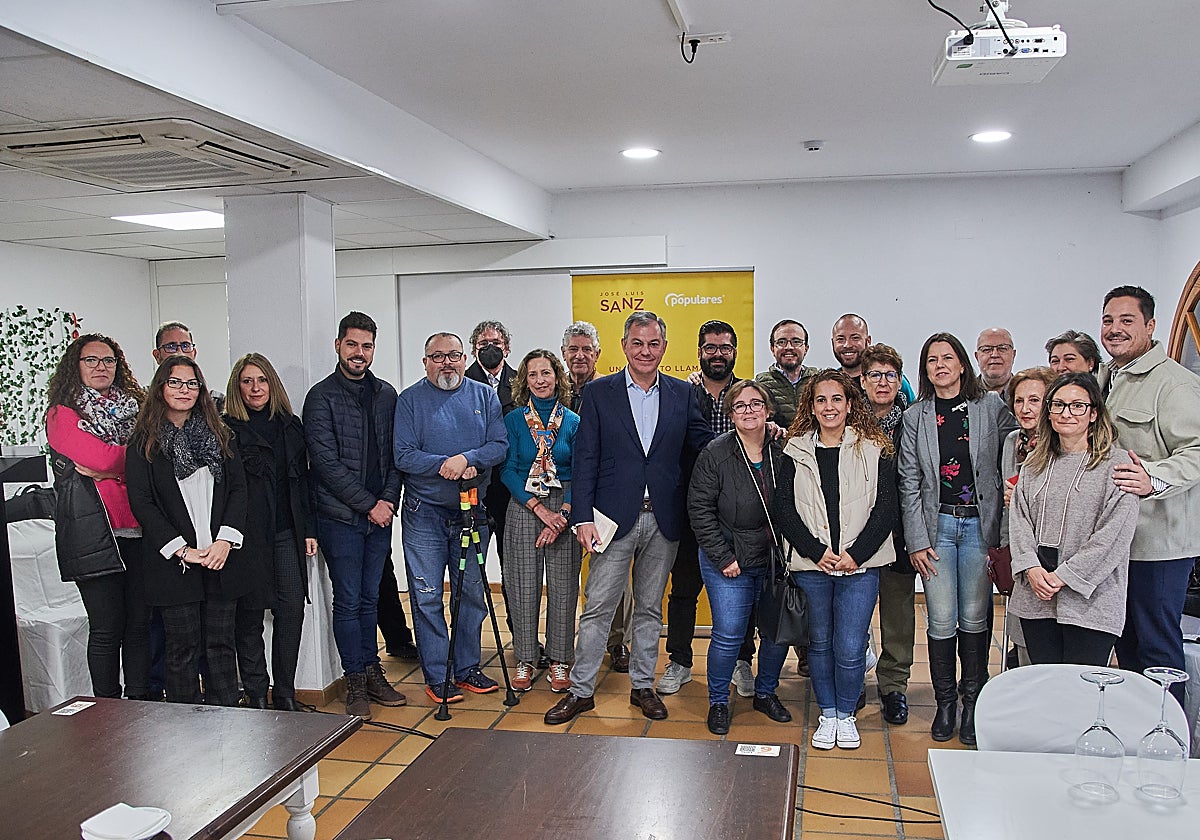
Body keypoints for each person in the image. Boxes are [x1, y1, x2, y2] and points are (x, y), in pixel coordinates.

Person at [544, 311, 712, 725]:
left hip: (665, 521)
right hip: (611, 520)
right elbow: (585, 459)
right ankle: (581, 691)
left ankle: (642, 687)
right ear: (624, 346)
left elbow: (702, 446)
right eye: (638, 343)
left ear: (664, 348)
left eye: (654, 344)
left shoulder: (681, 394)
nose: (646, 351)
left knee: (650, 610)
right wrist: (582, 516)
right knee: (599, 607)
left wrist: (755, 435)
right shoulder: (600, 393)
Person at [898, 332, 1016, 745]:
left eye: (948, 358)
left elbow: (1018, 452)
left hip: (980, 529)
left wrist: (1004, 534)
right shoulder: (916, 416)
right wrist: (916, 540)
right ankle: (945, 703)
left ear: (964, 364)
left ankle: (972, 703)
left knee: (975, 618)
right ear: (925, 370)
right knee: (941, 618)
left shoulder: (991, 407)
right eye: (932, 360)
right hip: (938, 531)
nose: (940, 366)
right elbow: (909, 481)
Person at [772, 370, 898, 750]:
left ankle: (847, 714)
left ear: (849, 403)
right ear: (811, 406)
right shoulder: (794, 449)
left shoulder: (874, 447)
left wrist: (855, 554)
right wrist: (816, 551)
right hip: (814, 566)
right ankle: (828, 713)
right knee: (820, 644)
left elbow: (886, 509)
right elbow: (785, 510)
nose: (829, 407)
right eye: (821, 400)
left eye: (837, 399)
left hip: (858, 567)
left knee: (850, 643)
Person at [125, 356, 251, 705]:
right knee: (181, 649)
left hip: (220, 557)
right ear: (160, 388)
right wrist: (181, 549)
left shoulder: (221, 436)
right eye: (175, 382)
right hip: (174, 563)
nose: (184, 390)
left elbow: (239, 489)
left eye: (191, 383)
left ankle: (228, 723)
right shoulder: (144, 443)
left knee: (221, 648)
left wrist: (225, 540)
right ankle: (187, 735)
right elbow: (143, 503)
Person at [303, 311, 407, 719]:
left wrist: (388, 501)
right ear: (338, 346)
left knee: (371, 598)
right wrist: (370, 504)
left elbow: (395, 457)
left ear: (373, 349)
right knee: (347, 602)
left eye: (366, 346)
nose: (358, 353)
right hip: (339, 519)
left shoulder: (386, 395)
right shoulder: (321, 397)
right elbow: (326, 464)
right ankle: (355, 682)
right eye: (352, 345)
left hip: (379, 517)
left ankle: (373, 670)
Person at [395, 331, 508, 703]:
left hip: (470, 512)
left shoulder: (484, 396)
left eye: (454, 355)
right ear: (425, 361)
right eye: (438, 356)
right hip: (423, 514)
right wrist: (444, 464)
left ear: (465, 358)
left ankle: (466, 668)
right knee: (427, 595)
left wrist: (468, 459)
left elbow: (498, 445)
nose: (447, 362)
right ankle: (438, 674)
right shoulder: (409, 401)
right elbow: (404, 455)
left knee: (471, 592)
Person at [1101, 285, 1200, 705]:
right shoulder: (1107, 378)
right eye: (1108, 320)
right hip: (1117, 543)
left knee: (1158, 649)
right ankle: (1141, 730)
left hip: (1159, 546)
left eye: (1127, 320)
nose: (1115, 329)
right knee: (1126, 644)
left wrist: (1153, 477)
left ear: (1151, 326)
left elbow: (1196, 450)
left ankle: (1172, 743)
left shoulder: (1174, 384)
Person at [45, 334, 151, 700]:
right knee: (107, 628)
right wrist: (119, 464)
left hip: (140, 530)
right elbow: (105, 459)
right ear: (76, 366)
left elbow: (148, 454)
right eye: (91, 360)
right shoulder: (62, 414)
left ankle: (139, 704)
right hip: (94, 536)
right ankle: (108, 707)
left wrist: (111, 468)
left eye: (108, 360)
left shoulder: (137, 407)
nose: (101, 367)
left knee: (138, 626)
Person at [1009, 373, 1139, 665]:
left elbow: (1113, 536)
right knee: (1046, 686)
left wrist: (1064, 576)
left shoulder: (1117, 466)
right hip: (1037, 597)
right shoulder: (1034, 464)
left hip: (1091, 602)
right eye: (1058, 405)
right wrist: (1030, 568)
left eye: (1077, 405)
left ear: (1094, 413)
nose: (1066, 413)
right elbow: (1019, 522)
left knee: (1080, 693)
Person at [687, 380, 791, 735]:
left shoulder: (783, 449)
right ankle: (718, 701)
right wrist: (722, 556)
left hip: (775, 560)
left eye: (755, 404)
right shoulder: (715, 454)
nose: (749, 411)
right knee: (729, 633)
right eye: (740, 406)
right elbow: (699, 509)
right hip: (728, 559)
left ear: (768, 409)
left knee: (777, 634)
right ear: (730, 414)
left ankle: (766, 693)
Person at [223, 353, 317, 711]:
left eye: (261, 380)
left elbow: (303, 481)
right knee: (248, 616)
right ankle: (256, 692)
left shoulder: (290, 426)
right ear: (238, 387)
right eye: (247, 381)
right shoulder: (226, 429)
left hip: (285, 532)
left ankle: (286, 692)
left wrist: (308, 528)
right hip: (244, 538)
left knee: (292, 608)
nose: (255, 387)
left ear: (272, 384)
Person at [658, 320, 741, 697]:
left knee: (741, 590)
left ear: (734, 352)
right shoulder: (682, 394)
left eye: (724, 347)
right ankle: (679, 661)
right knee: (684, 588)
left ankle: (741, 661)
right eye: (710, 348)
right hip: (690, 508)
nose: (718, 354)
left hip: (738, 511)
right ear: (699, 352)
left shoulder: (747, 395)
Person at [500, 350, 581, 693]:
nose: (540, 380)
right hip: (524, 505)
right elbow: (507, 470)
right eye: (532, 375)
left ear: (557, 377)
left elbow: (581, 471)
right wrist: (539, 509)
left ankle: (560, 659)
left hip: (564, 505)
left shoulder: (574, 422)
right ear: (524, 381)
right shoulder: (514, 420)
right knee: (523, 586)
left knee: (563, 588)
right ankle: (525, 658)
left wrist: (562, 513)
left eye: (546, 373)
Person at [562, 320, 633, 674]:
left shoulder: (611, 391)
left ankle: (617, 642)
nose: (579, 356)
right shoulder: (551, 393)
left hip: (606, 500)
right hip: (559, 498)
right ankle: (562, 647)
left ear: (598, 354)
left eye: (586, 349)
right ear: (563, 354)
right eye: (573, 349)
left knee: (614, 580)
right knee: (564, 576)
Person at [860, 343, 915, 725]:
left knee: (897, 613)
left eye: (890, 375)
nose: (883, 382)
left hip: (899, 533)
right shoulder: (847, 419)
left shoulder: (912, 420)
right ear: (862, 381)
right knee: (854, 614)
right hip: (855, 535)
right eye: (875, 375)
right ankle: (850, 678)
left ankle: (893, 685)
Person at [998, 367, 1058, 668]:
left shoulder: (1063, 444)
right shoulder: (1012, 441)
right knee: (1022, 640)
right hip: (1021, 549)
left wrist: (1023, 498)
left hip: (1054, 557)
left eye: (1034, 400)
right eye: (1019, 400)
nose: (1025, 408)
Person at [832, 313, 916, 405]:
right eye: (840, 339)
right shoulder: (830, 383)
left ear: (868, 341)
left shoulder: (892, 379)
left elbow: (915, 414)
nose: (847, 345)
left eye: (855, 338)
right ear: (833, 343)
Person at [755, 318, 817, 428]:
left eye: (796, 342)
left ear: (806, 348)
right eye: (782, 342)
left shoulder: (818, 380)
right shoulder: (760, 386)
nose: (789, 347)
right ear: (772, 348)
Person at [975, 328, 1017, 394]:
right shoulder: (962, 394)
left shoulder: (1028, 391)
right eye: (986, 349)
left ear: (1013, 355)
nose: (995, 355)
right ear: (977, 357)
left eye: (1002, 348)